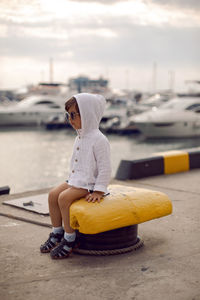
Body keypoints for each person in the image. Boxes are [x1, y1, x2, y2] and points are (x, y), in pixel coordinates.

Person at [40, 93, 111, 259]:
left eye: (73, 115)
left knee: (64, 198)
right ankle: (57, 232)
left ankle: (70, 239)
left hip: (90, 184)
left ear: (87, 114)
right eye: (68, 115)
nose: (70, 120)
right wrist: (71, 180)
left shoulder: (99, 140)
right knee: (53, 195)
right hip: (77, 181)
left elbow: (105, 168)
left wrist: (98, 191)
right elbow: (76, 163)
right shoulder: (79, 136)